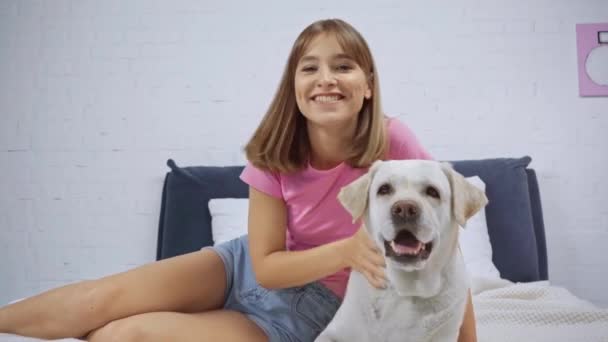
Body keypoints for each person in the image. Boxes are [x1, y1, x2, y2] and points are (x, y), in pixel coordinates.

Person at [0, 18, 477, 342]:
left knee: (129, 333)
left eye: (344, 67)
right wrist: (345, 251)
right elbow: (266, 265)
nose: (326, 79)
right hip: (244, 264)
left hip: (308, 314)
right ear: (294, 86)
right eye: (309, 68)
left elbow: (447, 250)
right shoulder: (276, 146)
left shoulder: (395, 143)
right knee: (98, 299)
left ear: (368, 84)